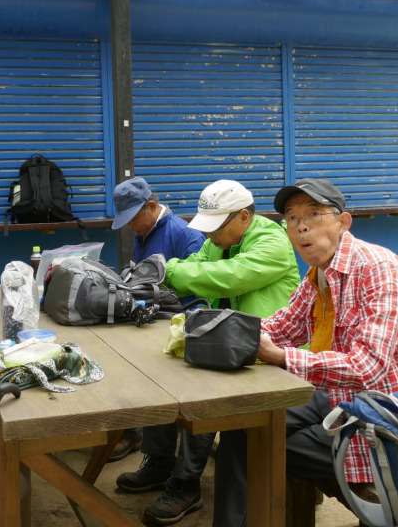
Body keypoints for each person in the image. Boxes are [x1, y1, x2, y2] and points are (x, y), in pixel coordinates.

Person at [212, 178, 398, 527]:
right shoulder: (320, 272)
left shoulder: (378, 269)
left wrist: (281, 357)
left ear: (343, 222)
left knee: (259, 440)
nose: (301, 226)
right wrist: (217, 332)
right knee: (244, 420)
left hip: (391, 419)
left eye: (314, 215)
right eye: (292, 218)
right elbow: (283, 326)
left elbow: (367, 367)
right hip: (341, 398)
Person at [118, 179, 302, 526]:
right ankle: (159, 462)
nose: (209, 235)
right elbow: (198, 264)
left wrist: (169, 269)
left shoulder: (272, 241)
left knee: (203, 397)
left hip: (271, 355)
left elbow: (229, 277)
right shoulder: (217, 242)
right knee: (161, 375)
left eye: (215, 228)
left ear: (243, 217)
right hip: (230, 344)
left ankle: (186, 484)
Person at [108, 176, 207, 463]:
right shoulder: (143, 233)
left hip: (180, 325)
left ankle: (157, 453)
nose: (129, 226)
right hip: (153, 320)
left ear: (151, 206)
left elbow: (199, 285)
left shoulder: (185, 233)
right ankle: (137, 435)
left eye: (132, 218)